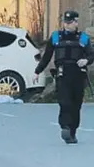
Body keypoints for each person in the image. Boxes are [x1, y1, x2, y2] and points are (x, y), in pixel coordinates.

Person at [33, 10, 94, 144]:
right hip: (63, 75)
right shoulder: (56, 37)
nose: (67, 25)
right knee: (64, 102)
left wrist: (86, 61)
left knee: (76, 105)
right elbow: (47, 56)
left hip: (78, 75)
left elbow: (91, 55)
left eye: (70, 22)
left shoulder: (83, 38)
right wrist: (37, 71)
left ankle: (72, 131)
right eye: (65, 22)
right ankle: (65, 127)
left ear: (76, 23)